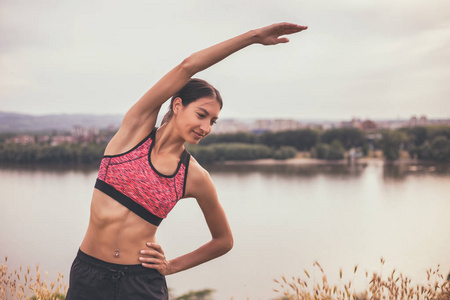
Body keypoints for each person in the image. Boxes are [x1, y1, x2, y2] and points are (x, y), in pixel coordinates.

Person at [66, 22, 307, 300]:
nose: (206, 127)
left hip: (141, 284)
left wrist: (171, 266)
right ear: (178, 105)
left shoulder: (194, 176)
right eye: (202, 114)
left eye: (213, 122)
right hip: (89, 274)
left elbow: (223, 241)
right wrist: (252, 38)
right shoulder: (132, 134)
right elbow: (187, 67)